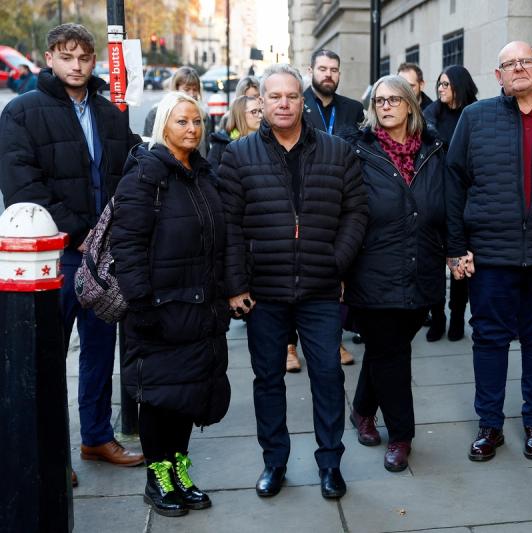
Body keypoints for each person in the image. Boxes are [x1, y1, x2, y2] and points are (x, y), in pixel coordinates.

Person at [0, 23, 143, 488]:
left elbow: (131, 172)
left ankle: (97, 437)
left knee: (100, 352)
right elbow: (22, 186)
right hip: (55, 257)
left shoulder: (109, 114)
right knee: (47, 356)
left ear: (94, 59)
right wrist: (81, 232)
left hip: (104, 257)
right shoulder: (22, 112)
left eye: (83, 57)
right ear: (50, 58)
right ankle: (51, 453)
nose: (76, 66)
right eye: (66, 57)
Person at [219, 64, 368, 500]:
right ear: (260, 103)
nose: (284, 104)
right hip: (262, 290)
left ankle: (330, 463)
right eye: (274, 97)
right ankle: (274, 462)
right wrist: (235, 284)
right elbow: (229, 226)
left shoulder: (337, 151)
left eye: (291, 96)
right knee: (267, 379)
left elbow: (357, 213)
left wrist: (336, 262)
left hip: (320, 288)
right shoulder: (239, 154)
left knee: (326, 375)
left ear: (303, 102)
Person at [446, 41, 532, 462]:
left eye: (526, 61)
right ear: (498, 75)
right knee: (489, 340)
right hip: (491, 255)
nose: (519, 68)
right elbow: (454, 183)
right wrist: (455, 248)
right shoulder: (475, 118)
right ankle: (489, 426)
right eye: (509, 64)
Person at [111, 91, 231, 516]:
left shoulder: (202, 173)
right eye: (182, 122)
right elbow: (127, 245)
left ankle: (179, 469)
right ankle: (157, 476)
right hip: (158, 309)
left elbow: (219, 240)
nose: (193, 130)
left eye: (197, 122)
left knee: (186, 395)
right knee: (159, 397)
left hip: (198, 308)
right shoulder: (144, 175)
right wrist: (142, 305)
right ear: (163, 125)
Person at [345, 75, 446, 472]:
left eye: (393, 100)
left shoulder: (433, 148)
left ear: (410, 105)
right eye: (379, 101)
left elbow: (447, 202)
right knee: (393, 352)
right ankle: (402, 435)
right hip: (373, 267)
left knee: (386, 349)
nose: (385, 106)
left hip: (422, 265)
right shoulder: (358, 150)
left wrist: (454, 250)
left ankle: (361, 409)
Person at [294, 48, 365, 368]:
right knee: (295, 272)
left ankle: (333, 341)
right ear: (311, 70)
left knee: (339, 273)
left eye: (334, 70)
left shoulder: (352, 109)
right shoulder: (298, 105)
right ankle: (289, 345)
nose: (329, 75)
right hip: (303, 199)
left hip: (343, 199)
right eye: (323, 68)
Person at [423, 65, 479, 342]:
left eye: (446, 84)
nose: (441, 89)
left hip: (465, 196)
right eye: (439, 84)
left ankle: (457, 316)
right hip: (436, 194)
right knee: (434, 261)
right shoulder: (431, 115)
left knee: (460, 260)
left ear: (459, 85)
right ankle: (438, 317)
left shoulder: (476, 114)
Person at [143, 67, 211, 156]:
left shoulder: (204, 116)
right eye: (187, 89)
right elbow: (148, 144)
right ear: (175, 88)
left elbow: (206, 150)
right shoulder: (156, 113)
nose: (192, 94)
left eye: (195, 89)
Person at [207, 95, 262, 169]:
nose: (260, 115)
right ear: (240, 114)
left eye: (260, 111)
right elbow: (211, 176)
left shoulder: (266, 142)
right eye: (254, 112)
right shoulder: (222, 144)